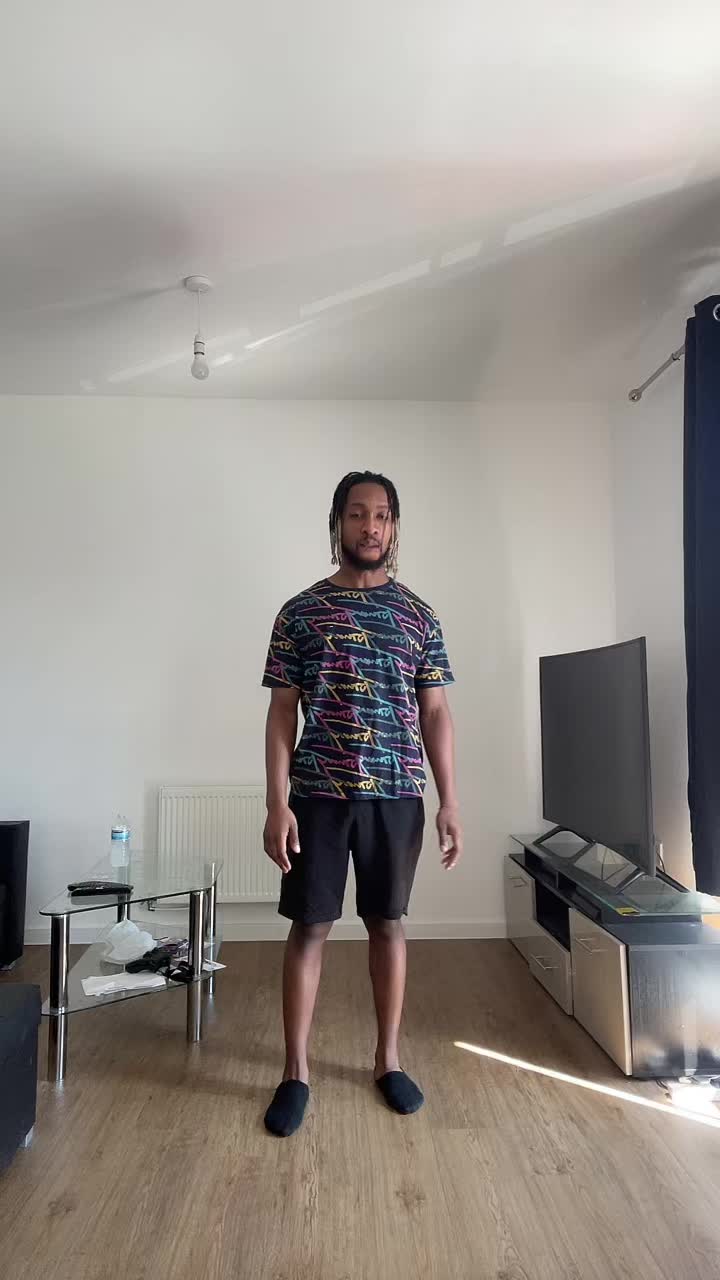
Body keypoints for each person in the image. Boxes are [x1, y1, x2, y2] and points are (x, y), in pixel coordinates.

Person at [261, 470, 462, 1137]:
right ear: (337, 523)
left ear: (393, 526)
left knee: (387, 924)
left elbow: (436, 713)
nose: (369, 526)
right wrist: (276, 803)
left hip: (397, 795)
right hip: (317, 796)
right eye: (356, 514)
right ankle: (295, 1072)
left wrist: (450, 801)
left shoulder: (419, 616)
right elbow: (281, 712)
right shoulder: (300, 612)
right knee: (309, 928)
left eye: (381, 515)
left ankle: (388, 1061)